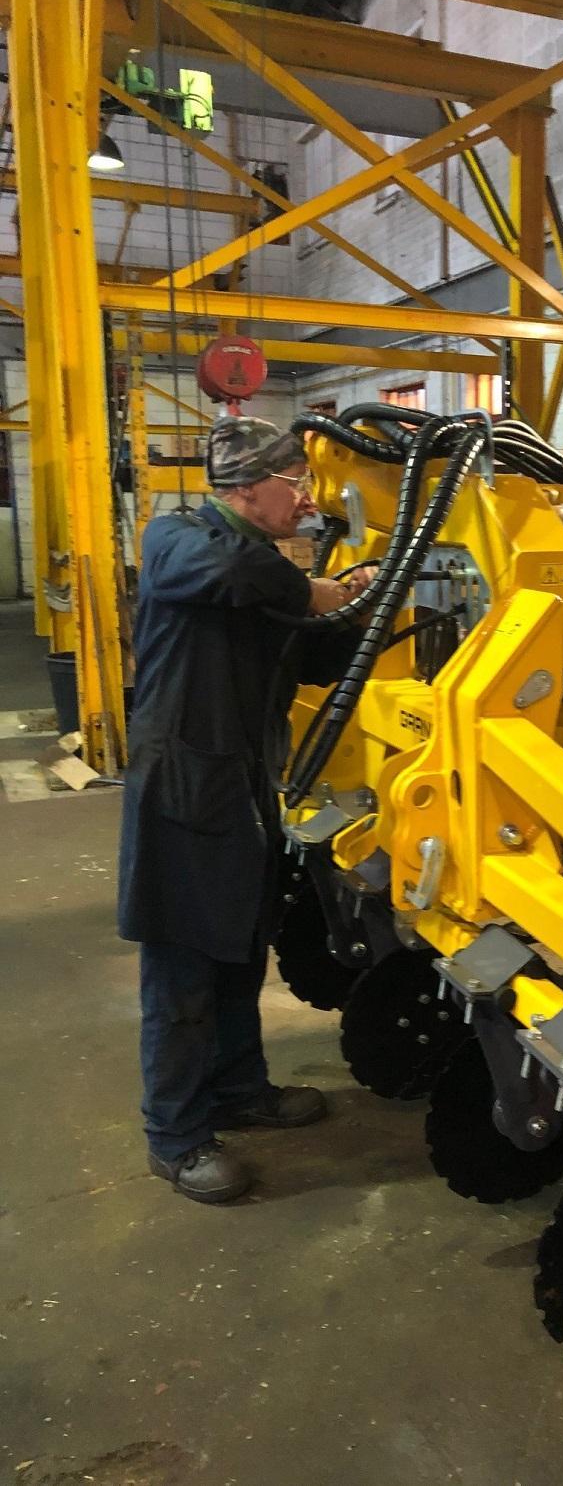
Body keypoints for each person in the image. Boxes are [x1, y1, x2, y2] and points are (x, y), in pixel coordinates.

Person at [118, 416, 370, 1205]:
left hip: (247, 786)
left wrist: (360, 600)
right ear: (244, 488)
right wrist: (311, 589)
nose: (304, 496)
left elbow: (312, 654)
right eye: (293, 482)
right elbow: (232, 577)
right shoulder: (181, 540)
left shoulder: (260, 566)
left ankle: (238, 1089)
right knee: (184, 966)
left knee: (238, 948)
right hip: (184, 786)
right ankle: (177, 1136)